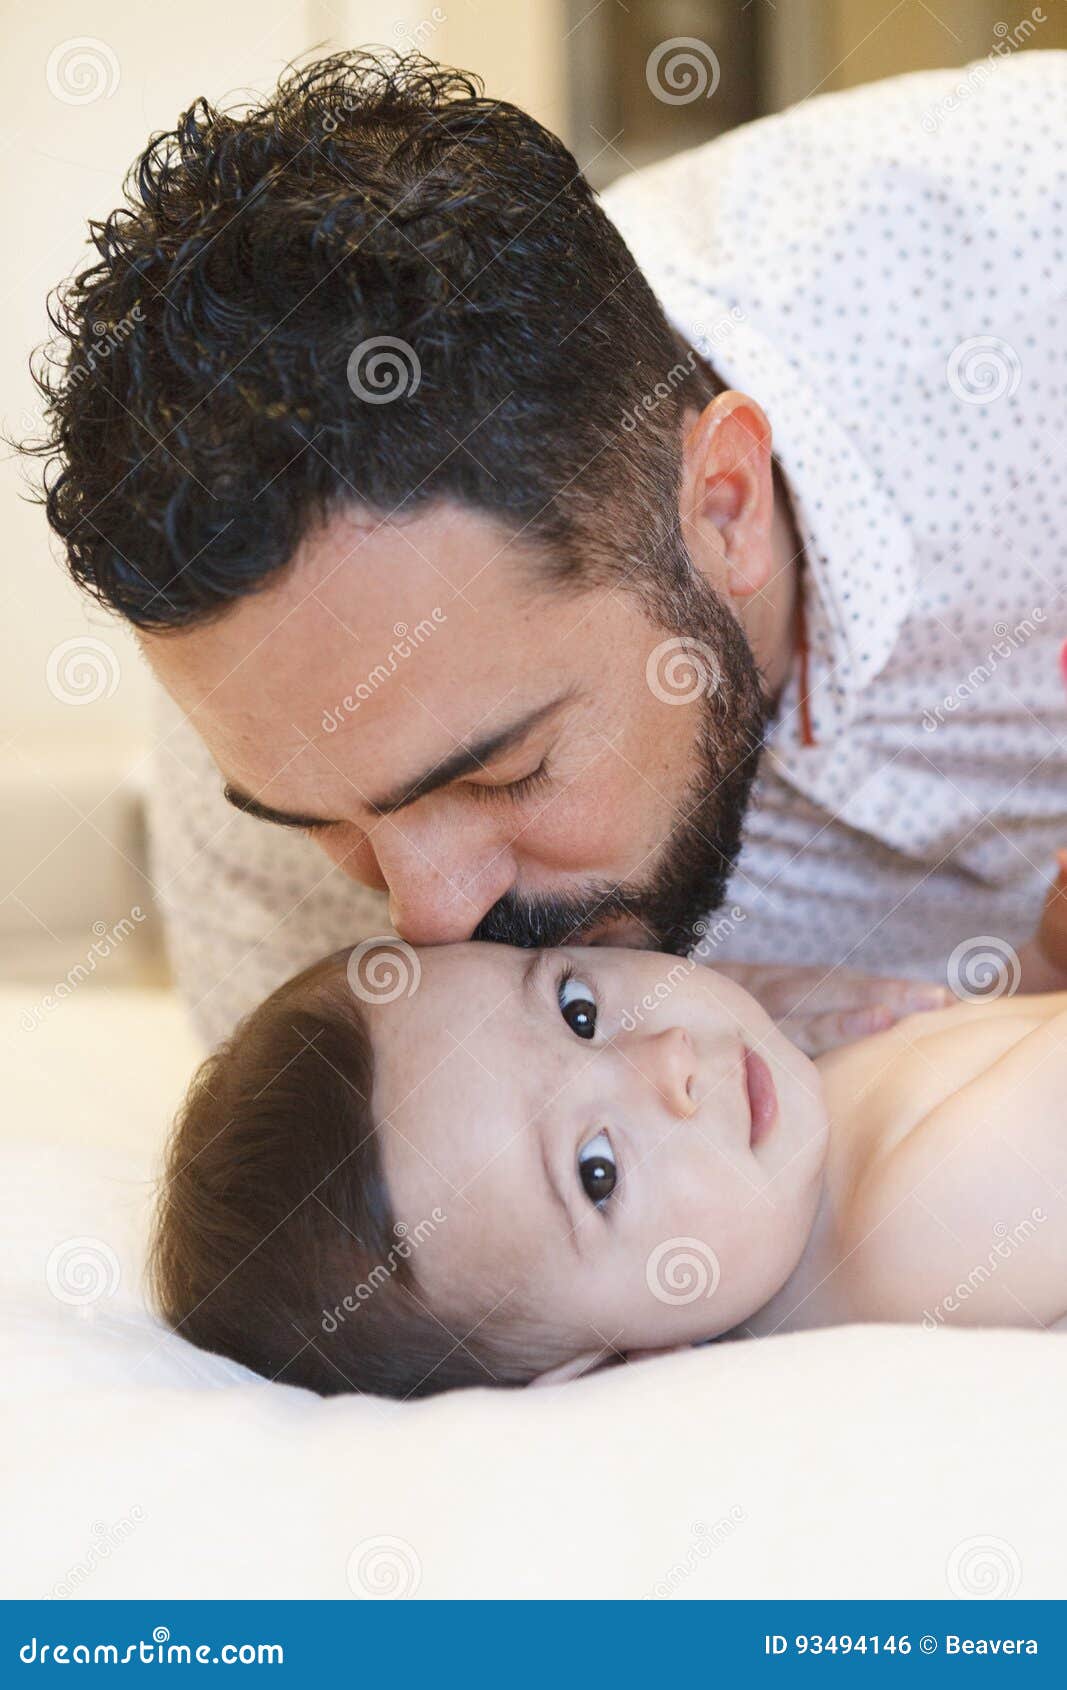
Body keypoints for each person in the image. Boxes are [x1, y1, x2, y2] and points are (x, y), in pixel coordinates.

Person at [26, 48, 1067, 1054]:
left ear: (722, 501)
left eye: (500, 772)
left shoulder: (1028, 251)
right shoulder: (269, 781)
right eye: (327, 826)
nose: (426, 919)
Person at [148, 856, 1067, 1400]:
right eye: (596, 1173)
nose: (665, 1060)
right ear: (606, 1370)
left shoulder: (802, 1129)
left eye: (578, 1009)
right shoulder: (904, 1237)